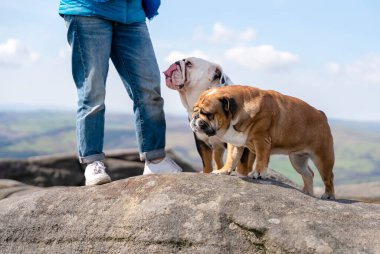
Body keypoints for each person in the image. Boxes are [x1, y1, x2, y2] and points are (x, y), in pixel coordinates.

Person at [59, 0, 182, 186]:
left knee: (149, 88)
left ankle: (155, 159)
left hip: (132, 13)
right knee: (92, 92)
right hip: (88, 10)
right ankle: (93, 162)